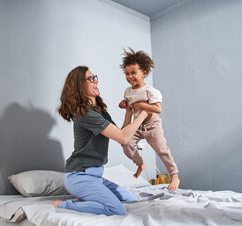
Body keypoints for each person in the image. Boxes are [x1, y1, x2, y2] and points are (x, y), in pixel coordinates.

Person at [51, 66, 149, 216]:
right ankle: (64, 205)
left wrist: (129, 113)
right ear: (79, 85)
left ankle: (87, 201)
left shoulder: (100, 112)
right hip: (79, 176)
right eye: (90, 79)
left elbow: (122, 137)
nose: (95, 81)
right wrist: (144, 113)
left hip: (96, 177)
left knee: (132, 199)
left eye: (94, 77)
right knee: (116, 210)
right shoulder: (84, 113)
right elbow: (123, 136)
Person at [118, 48, 180, 190]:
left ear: (144, 73)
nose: (130, 76)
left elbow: (158, 109)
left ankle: (174, 175)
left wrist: (141, 104)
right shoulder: (128, 91)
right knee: (126, 144)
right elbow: (127, 103)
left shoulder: (150, 91)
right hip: (136, 126)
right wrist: (123, 104)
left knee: (162, 150)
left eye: (133, 73)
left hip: (152, 126)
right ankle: (140, 163)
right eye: (127, 73)